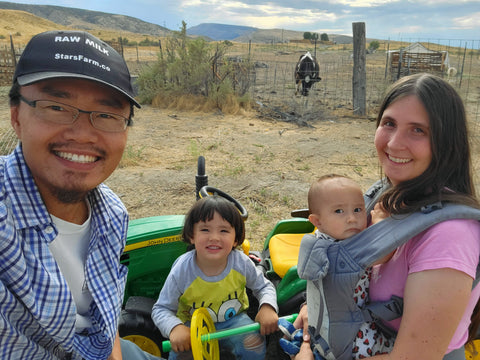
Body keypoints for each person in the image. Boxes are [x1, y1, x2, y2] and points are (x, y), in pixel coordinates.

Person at [293, 73, 480, 359]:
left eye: (418, 130)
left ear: (446, 143)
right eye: (389, 123)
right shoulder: (388, 196)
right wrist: (318, 312)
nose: (393, 143)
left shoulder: (449, 235)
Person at [0, 30, 159, 360]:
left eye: (106, 114)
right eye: (56, 106)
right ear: (16, 116)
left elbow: (105, 319)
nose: (84, 135)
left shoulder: (112, 213)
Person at [151, 195, 279, 359]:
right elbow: (161, 309)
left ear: (236, 239)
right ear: (192, 235)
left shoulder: (241, 262)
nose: (214, 237)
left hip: (234, 321)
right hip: (191, 327)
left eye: (224, 230)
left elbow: (263, 287)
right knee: (181, 354)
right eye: (205, 230)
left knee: (253, 343)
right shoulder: (182, 270)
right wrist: (175, 328)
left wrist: (267, 306)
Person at [280, 174, 393, 358]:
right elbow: (383, 254)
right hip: (352, 334)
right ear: (317, 221)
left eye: (358, 209)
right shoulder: (340, 251)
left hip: (329, 325)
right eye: (339, 211)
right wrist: (380, 223)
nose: (352, 218)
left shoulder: (321, 240)